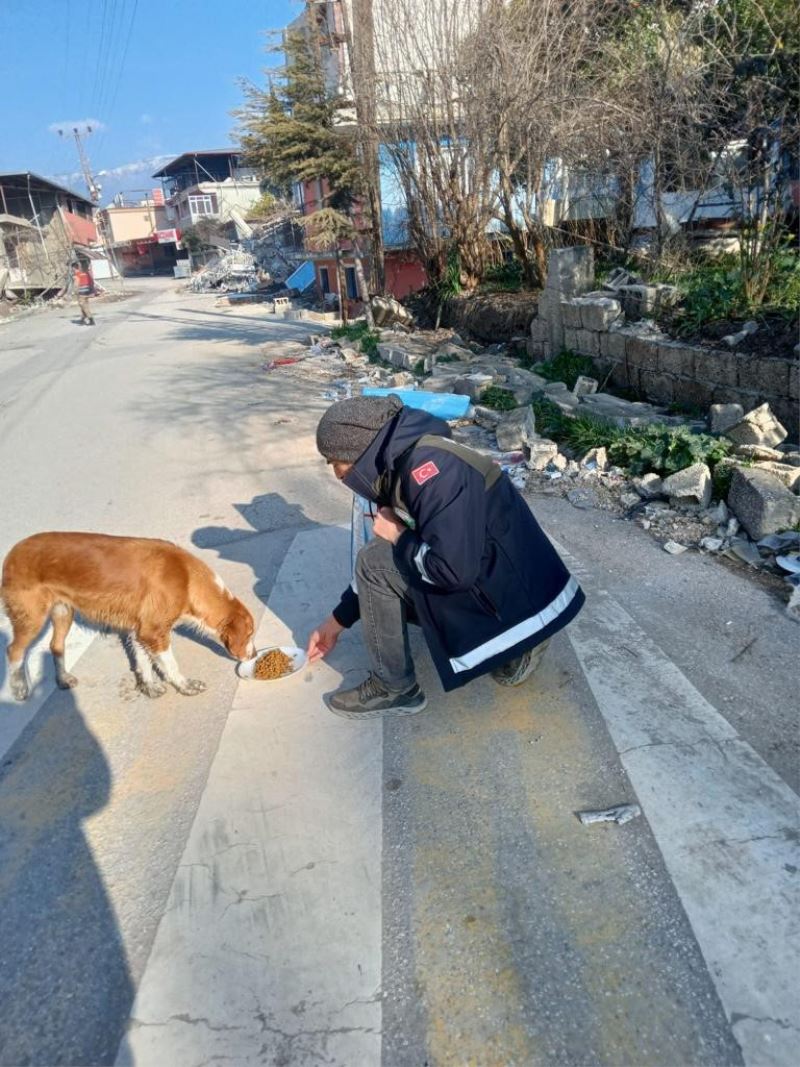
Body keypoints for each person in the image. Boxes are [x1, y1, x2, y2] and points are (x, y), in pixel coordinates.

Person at [307, 395, 585, 719]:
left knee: (376, 561)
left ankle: (398, 687)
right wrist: (333, 624)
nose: (336, 473)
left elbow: (453, 571)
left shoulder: (430, 470)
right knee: (381, 558)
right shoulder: (402, 461)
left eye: (334, 461)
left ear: (357, 451)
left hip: (521, 601)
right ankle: (508, 641)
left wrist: (398, 534)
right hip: (499, 579)